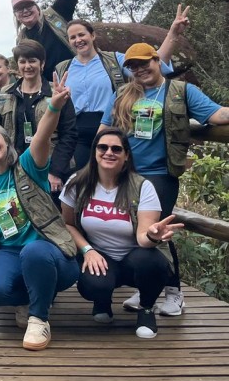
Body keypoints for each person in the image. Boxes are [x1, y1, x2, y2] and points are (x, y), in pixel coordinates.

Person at [100, 38, 229, 316]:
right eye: (133, 66)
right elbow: (105, 128)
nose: (140, 70)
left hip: (160, 173)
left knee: (158, 229)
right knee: (134, 230)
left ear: (158, 61)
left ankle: (174, 292)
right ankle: (148, 289)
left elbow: (217, 115)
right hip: (126, 173)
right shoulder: (124, 93)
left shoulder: (180, 91)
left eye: (144, 63)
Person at [0, 72, 79, 352]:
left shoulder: (29, 165)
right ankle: (30, 298)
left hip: (49, 248)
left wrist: (54, 106)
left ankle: (39, 317)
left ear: (6, 141)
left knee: (34, 253)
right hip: (9, 251)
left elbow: (42, 136)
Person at [61, 129, 181, 338]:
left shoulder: (142, 187)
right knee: (91, 285)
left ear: (126, 155)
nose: (109, 152)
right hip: (100, 257)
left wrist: (153, 235)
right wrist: (88, 250)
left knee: (152, 262)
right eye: (103, 147)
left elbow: (143, 238)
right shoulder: (77, 183)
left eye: (116, 149)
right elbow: (68, 224)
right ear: (94, 152)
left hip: (135, 256)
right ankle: (102, 300)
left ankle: (146, 309)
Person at [56, 12, 182, 173]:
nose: (78, 40)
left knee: (112, 178)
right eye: (72, 37)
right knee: (78, 179)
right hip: (77, 132)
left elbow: (154, 63)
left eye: (81, 34)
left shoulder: (115, 60)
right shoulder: (63, 68)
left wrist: (173, 34)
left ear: (93, 35)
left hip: (111, 126)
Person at [0, 40, 78, 197]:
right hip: (15, 167)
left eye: (32, 61)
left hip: (50, 169)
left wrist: (55, 171)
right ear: (17, 65)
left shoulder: (57, 93)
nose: (27, 66)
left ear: (42, 63)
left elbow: (69, 134)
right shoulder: (5, 93)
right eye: (22, 61)